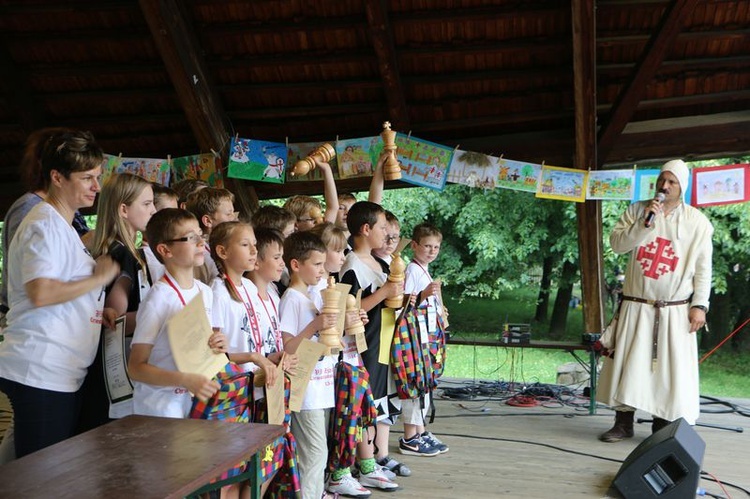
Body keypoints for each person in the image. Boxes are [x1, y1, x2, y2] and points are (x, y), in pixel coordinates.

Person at [0, 130, 120, 457]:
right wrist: (98, 280)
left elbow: (65, 288)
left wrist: (97, 310)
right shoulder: (43, 223)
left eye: (97, 177)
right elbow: (41, 292)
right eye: (87, 178)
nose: (97, 186)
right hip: (41, 370)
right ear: (57, 177)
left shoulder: (63, 226)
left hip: (61, 372)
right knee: (39, 478)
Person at [597, 159, 713, 442]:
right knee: (628, 363)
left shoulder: (697, 222)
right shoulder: (637, 211)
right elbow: (617, 245)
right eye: (662, 180)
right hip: (636, 305)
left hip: (674, 310)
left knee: (667, 371)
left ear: (682, 186)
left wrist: (700, 304)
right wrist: (643, 223)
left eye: (672, 182)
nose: (664, 186)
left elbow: (703, 268)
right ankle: (623, 423)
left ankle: (662, 427)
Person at [127, 208, 226, 419]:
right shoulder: (158, 298)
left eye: (200, 234)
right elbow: (136, 368)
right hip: (160, 409)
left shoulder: (205, 291)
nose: (201, 242)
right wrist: (184, 379)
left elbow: (208, 343)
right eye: (191, 238)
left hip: (196, 404)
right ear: (165, 250)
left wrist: (218, 344)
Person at [77, 173, 156, 429]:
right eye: (146, 204)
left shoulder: (112, 249)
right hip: (111, 377)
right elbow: (116, 320)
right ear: (123, 209)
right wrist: (166, 315)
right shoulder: (121, 254)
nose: (153, 210)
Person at [339, 202, 405, 484]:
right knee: (365, 402)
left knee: (379, 399)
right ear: (365, 230)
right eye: (381, 228)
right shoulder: (352, 265)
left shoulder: (378, 261)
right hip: (364, 344)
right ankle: (361, 462)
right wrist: (386, 292)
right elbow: (349, 309)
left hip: (384, 339)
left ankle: (370, 458)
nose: (386, 234)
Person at [278, 232, 338, 499]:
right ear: (295, 265)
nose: (322, 270)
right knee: (314, 454)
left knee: (317, 453)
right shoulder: (291, 298)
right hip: (306, 390)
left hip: (321, 386)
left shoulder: (311, 297)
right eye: (316, 264)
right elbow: (287, 348)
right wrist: (314, 325)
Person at [400, 222, 449, 456]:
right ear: (415, 245)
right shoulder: (411, 270)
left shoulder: (424, 269)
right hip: (416, 338)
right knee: (417, 384)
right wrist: (423, 295)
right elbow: (404, 305)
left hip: (428, 336)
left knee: (425, 386)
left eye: (436, 247)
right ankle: (410, 436)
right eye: (427, 246)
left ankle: (420, 430)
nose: (431, 251)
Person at [184, 187, 238, 285]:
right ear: (208, 221)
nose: (234, 219)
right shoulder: (199, 256)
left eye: (233, 213)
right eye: (228, 214)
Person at [283, 159, 339, 232]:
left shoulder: (321, 234)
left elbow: (333, 207)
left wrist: (326, 169)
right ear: (295, 224)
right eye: (312, 219)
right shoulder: (289, 242)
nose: (319, 221)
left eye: (320, 217)